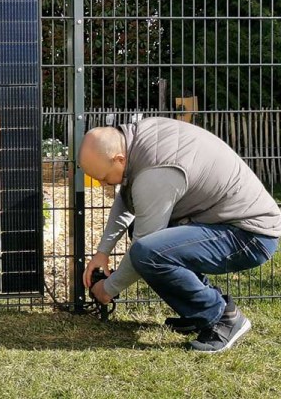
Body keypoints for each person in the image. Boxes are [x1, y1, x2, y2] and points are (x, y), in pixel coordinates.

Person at [79, 117, 281, 353]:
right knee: (149, 244)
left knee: (148, 252)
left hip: (250, 236)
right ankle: (198, 312)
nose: (104, 184)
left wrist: (107, 289)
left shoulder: (156, 171)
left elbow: (143, 248)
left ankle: (222, 317)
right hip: (227, 224)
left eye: (104, 178)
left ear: (119, 159)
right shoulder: (138, 138)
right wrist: (102, 253)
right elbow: (127, 197)